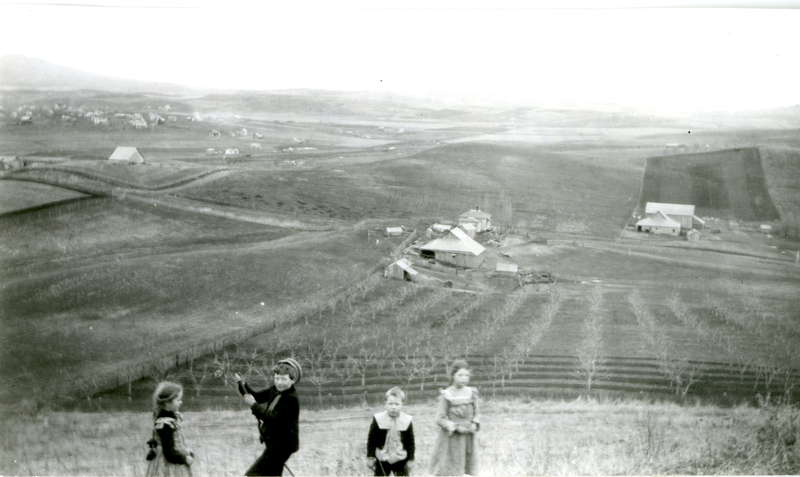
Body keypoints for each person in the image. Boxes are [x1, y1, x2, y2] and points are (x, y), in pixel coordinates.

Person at [235, 358, 302, 476]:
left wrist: (254, 405)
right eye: (277, 378)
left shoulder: (291, 399)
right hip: (275, 444)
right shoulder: (275, 390)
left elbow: (272, 418)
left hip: (282, 447)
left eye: (283, 379)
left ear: (293, 380)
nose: (279, 382)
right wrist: (242, 385)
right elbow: (257, 397)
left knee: (253, 475)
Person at [429, 360, 480, 476]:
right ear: (452, 376)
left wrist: (474, 423)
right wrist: (456, 427)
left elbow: (477, 413)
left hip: (469, 436)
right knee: (452, 468)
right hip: (453, 437)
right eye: (460, 375)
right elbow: (439, 418)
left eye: (466, 375)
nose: (464, 378)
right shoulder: (447, 394)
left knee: (468, 470)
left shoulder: (472, 392)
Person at [146, 381, 195, 477]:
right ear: (168, 402)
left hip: (170, 462)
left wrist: (185, 450)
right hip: (169, 466)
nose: (181, 402)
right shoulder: (165, 424)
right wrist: (185, 459)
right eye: (178, 400)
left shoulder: (168, 420)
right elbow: (169, 453)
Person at [366, 386, 416, 476]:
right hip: (382, 458)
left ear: (402, 404)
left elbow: (410, 441)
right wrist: (370, 457)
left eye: (397, 404)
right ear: (385, 403)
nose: (393, 407)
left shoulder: (407, 420)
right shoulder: (378, 418)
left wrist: (411, 459)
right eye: (390, 403)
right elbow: (372, 439)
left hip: (400, 458)